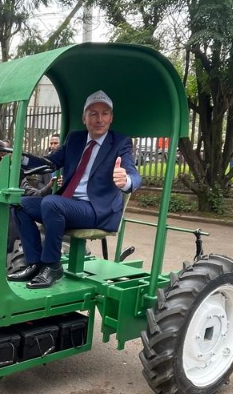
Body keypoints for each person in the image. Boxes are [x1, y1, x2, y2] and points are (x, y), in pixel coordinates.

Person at [9, 90, 141, 289]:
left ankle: (52, 265)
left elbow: (133, 173)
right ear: (84, 117)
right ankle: (35, 263)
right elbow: (50, 163)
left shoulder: (120, 142)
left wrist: (126, 181)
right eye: (93, 113)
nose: (99, 119)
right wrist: (20, 157)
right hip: (68, 205)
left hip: (96, 209)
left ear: (111, 118)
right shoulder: (75, 139)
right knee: (20, 204)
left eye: (105, 113)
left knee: (52, 203)